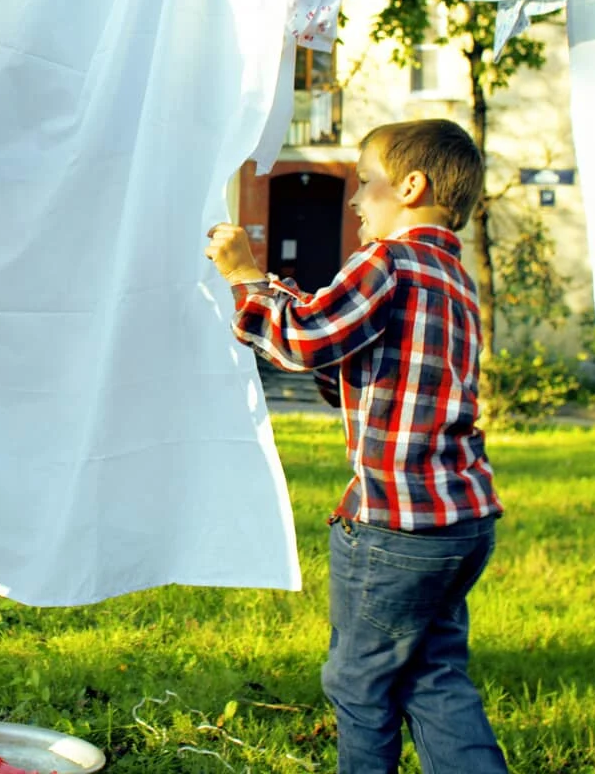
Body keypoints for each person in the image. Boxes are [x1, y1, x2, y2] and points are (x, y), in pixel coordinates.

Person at [205, 118, 507, 774]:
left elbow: (309, 338)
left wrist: (247, 279)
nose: (354, 201)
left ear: (409, 186)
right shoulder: (456, 277)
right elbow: (358, 372)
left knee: (360, 684)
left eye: (364, 185)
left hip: (395, 528)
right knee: (433, 677)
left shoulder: (386, 261)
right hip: (461, 522)